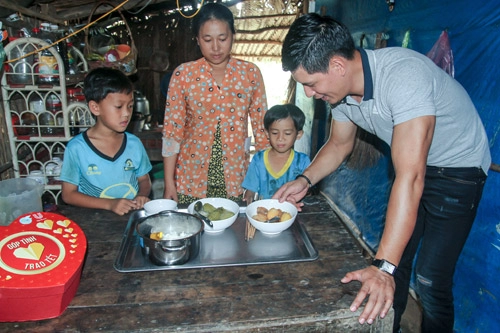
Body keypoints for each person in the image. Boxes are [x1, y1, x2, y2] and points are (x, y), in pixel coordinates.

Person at [273, 13, 490, 333]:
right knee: (394, 265)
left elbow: (411, 177)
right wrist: (304, 180)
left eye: (310, 83)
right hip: (415, 165)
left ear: (337, 66)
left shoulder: (404, 77)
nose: (308, 94)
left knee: (429, 278)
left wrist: (382, 266)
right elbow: (338, 145)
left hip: (458, 168)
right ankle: (391, 326)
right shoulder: (340, 93)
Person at [162, 3, 268, 205]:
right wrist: (169, 182)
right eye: (207, 39)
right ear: (197, 40)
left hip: (237, 178)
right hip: (191, 178)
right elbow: (172, 132)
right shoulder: (183, 75)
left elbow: (262, 131)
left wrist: (257, 181)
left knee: (233, 233)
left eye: (223, 38)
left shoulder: (250, 73)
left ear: (233, 36)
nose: (216, 47)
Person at [60, 67, 152, 216]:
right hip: (94, 221)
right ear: (95, 108)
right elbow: (68, 194)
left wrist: (142, 195)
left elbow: (144, 179)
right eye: (118, 107)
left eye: (130, 106)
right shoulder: (77, 148)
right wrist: (110, 204)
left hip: (130, 217)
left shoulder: (134, 144)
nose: (126, 113)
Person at [242, 104, 310, 202]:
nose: (280, 138)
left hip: (293, 211)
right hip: (265, 213)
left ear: (298, 134)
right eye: (274, 133)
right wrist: (248, 198)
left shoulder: (303, 161)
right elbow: (250, 190)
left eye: (287, 133)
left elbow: (307, 191)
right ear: (267, 133)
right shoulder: (259, 159)